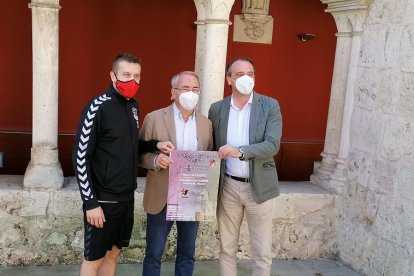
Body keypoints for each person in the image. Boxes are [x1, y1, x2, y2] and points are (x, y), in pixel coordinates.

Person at [72, 53, 173, 276]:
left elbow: (128, 145)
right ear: (113, 75)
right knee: (94, 259)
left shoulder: (133, 106)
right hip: (102, 201)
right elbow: (80, 156)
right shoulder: (98, 106)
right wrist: (90, 202)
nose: (132, 81)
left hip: (125, 199)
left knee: (113, 255)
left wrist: (156, 144)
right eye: (126, 75)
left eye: (137, 76)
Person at [208, 57, 282, 276]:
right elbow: (210, 143)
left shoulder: (269, 105)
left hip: (258, 187)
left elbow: (272, 144)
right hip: (228, 186)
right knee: (227, 248)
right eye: (239, 74)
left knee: (261, 251)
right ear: (229, 79)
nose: (246, 78)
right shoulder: (217, 109)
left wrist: (240, 151)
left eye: (250, 74)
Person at [138, 71, 213, 276]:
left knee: (187, 252)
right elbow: (138, 153)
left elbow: (210, 160)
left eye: (195, 89)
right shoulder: (154, 118)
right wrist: (155, 160)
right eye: (186, 88)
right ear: (173, 92)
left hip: (192, 197)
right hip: (162, 195)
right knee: (154, 252)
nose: (191, 93)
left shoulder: (206, 124)